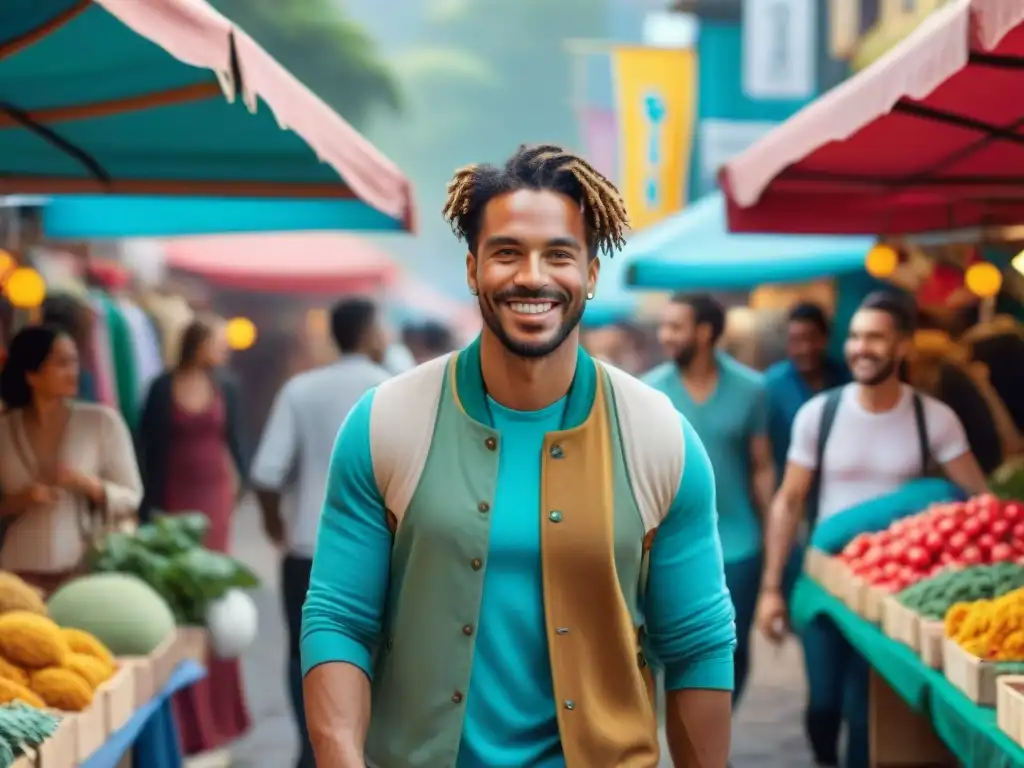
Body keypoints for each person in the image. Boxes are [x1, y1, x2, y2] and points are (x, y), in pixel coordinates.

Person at [301, 144, 736, 768]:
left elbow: (696, 643)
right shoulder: (387, 423)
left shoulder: (659, 436)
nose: (532, 276)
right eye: (507, 252)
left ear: (589, 274)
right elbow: (340, 617)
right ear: (474, 269)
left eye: (559, 254)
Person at [756, 291, 989, 768]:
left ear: (902, 347)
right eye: (857, 337)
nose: (862, 347)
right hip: (823, 581)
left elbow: (979, 501)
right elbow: (788, 501)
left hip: (892, 593)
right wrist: (771, 588)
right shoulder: (820, 414)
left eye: (876, 338)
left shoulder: (934, 420)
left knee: (865, 717)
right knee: (824, 707)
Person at [250, 298, 390, 768]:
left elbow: (267, 472)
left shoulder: (300, 389)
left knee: (303, 655)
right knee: (377, 653)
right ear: (369, 332)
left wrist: (276, 526)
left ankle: (313, 751)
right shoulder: (393, 390)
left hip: (307, 549)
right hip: (381, 552)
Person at [644, 293, 775, 708]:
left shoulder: (752, 390)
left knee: (733, 649)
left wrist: (773, 537)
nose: (665, 336)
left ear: (704, 333)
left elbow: (761, 466)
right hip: (670, 545)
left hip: (739, 545)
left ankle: (715, 736)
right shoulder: (648, 393)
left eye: (675, 327)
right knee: (673, 648)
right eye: (663, 326)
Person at [136, 317, 250, 757]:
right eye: (216, 342)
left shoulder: (228, 387)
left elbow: (237, 443)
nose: (222, 349)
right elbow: (147, 446)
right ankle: (183, 714)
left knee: (213, 599)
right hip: (172, 499)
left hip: (215, 499)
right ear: (194, 344)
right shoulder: (162, 387)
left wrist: (241, 489)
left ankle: (218, 715)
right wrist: (148, 510)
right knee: (177, 598)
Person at [0, 325, 141, 593]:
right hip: (15, 575)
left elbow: (131, 496)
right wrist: (22, 500)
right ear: (32, 374)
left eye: (75, 361)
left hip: (82, 572)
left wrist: (87, 484)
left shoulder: (101, 423)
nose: (74, 371)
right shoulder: (4, 430)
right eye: (62, 363)